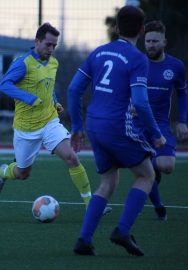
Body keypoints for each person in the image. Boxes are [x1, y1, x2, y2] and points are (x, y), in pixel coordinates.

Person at [68, 5, 166, 256]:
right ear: (143, 31)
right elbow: (141, 102)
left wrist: (77, 127)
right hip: (117, 125)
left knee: (108, 182)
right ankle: (122, 230)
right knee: (146, 176)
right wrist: (156, 133)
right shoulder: (137, 59)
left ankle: (83, 240)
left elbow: (73, 90)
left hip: (94, 125)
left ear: (116, 28)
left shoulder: (98, 53)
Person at [0, 22, 112, 216]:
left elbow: (49, 88)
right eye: (48, 44)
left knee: (71, 157)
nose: (51, 49)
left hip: (49, 122)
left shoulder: (53, 63)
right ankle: (4, 172)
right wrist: (29, 98)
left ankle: (91, 204)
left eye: (54, 45)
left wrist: (54, 102)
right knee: (23, 173)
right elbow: (4, 85)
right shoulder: (23, 63)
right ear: (37, 41)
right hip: (26, 128)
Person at [134, 21, 188, 220]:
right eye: (147, 41)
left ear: (164, 42)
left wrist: (182, 121)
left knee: (166, 166)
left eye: (155, 41)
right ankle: (159, 207)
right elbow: (121, 88)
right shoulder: (137, 62)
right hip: (137, 124)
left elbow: (182, 93)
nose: (150, 45)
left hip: (161, 124)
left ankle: (153, 165)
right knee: (143, 170)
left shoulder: (175, 66)